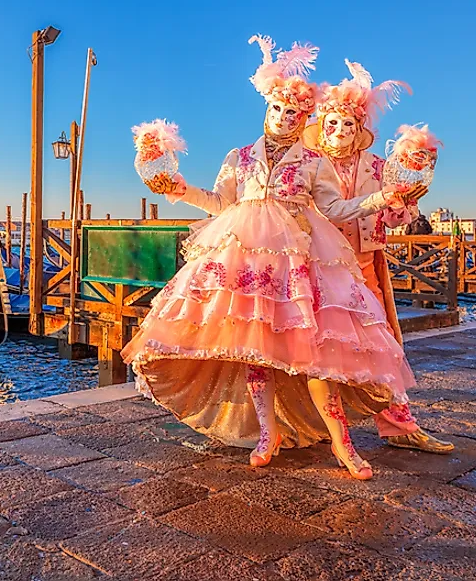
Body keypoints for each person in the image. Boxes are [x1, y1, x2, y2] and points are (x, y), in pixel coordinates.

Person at [124, 36, 421, 480]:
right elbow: (220, 202)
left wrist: (383, 197)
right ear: (267, 110)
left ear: (304, 118)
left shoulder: (314, 162)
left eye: (294, 113)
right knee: (253, 351)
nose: (283, 117)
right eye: (278, 109)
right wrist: (178, 190)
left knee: (316, 352)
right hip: (246, 262)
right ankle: (269, 433)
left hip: (300, 261)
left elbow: (336, 210)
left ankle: (343, 443)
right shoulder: (239, 157)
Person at [303, 61, 453, 454]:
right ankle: (312, 423)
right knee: (312, 345)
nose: (339, 132)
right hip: (315, 266)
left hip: (365, 261)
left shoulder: (377, 166)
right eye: (331, 124)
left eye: (347, 125)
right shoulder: (307, 166)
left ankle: (399, 423)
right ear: (322, 126)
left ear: (359, 129)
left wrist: (405, 203)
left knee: (380, 343)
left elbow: (395, 215)